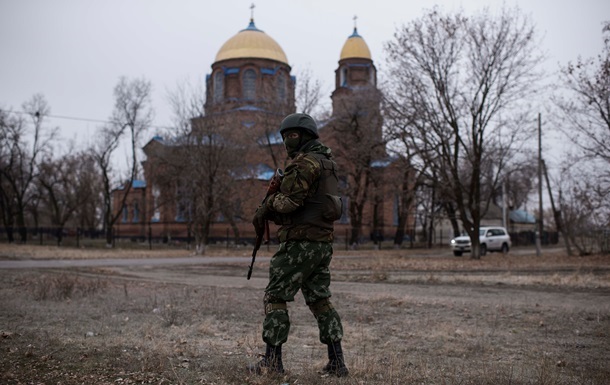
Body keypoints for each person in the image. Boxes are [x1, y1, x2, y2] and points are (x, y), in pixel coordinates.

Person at [249, 112, 348, 377]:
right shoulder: (328, 163)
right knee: (320, 300)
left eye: (292, 135)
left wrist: (269, 203)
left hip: (299, 244)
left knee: (275, 297)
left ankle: (272, 363)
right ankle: (338, 363)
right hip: (322, 244)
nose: (287, 141)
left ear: (305, 137)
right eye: (284, 136)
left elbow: (287, 203)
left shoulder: (304, 163)